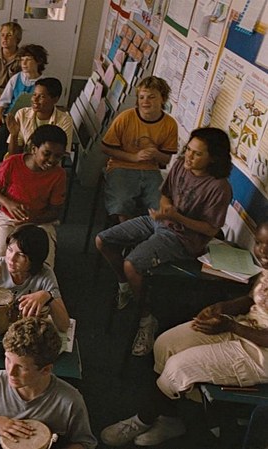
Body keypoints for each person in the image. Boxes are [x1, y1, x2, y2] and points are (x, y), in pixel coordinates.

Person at [101, 221, 268, 447]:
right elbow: (250, 298)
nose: (262, 251)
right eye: (258, 243)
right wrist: (221, 308)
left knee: (178, 368)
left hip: (260, 353)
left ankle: (143, 419)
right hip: (242, 325)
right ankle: (169, 418)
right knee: (165, 344)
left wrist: (231, 327)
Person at [96, 127, 233, 356]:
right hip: (160, 222)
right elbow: (165, 194)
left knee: (132, 265)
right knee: (103, 240)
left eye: (197, 154)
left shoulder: (219, 187)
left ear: (213, 158)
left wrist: (176, 217)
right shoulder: (180, 165)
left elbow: (210, 229)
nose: (189, 156)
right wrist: (166, 208)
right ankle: (126, 286)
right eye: (188, 150)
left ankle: (147, 318)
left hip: (183, 238)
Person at [0, 317, 97, 449]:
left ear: (46, 370)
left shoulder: (70, 400)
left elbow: (84, 443)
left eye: (21, 367)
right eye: (8, 360)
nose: (10, 372)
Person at [0, 124, 66, 269]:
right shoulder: (13, 162)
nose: (51, 160)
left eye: (58, 156)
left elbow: (55, 211)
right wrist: (8, 203)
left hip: (39, 222)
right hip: (7, 218)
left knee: (44, 266)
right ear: (34, 149)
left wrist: (33, 220)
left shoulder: (59, 175)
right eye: (46, 153)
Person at [101, 76, 178, 223]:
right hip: (121, 166)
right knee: (122, 203)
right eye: (141, 97)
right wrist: (134, 157)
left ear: (163, 99)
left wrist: (156, 154)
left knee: (161, 206)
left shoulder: (170, 124)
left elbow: (166, 159)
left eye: (151, 97)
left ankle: (153, 234)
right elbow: (105, 148)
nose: (145, 101)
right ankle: (127, 232)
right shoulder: (125, 117)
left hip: (150, 170)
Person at [0, 44, 48, 162]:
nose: (24, 63)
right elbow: (4, 100)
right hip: (11, 117)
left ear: (39, 61)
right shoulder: (16, 78)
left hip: (31, 119)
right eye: (22, 60)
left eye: (28, 59)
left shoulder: (43, 82)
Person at [6, 77, 73, 156]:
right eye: (34, 94)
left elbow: (61, 155)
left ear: (55, 99)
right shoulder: (22, 114)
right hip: (25, 160)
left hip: (49, 162)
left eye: (41, 96)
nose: (35, 99)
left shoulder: (64, 120)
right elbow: (13, 155)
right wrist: (14, 135)